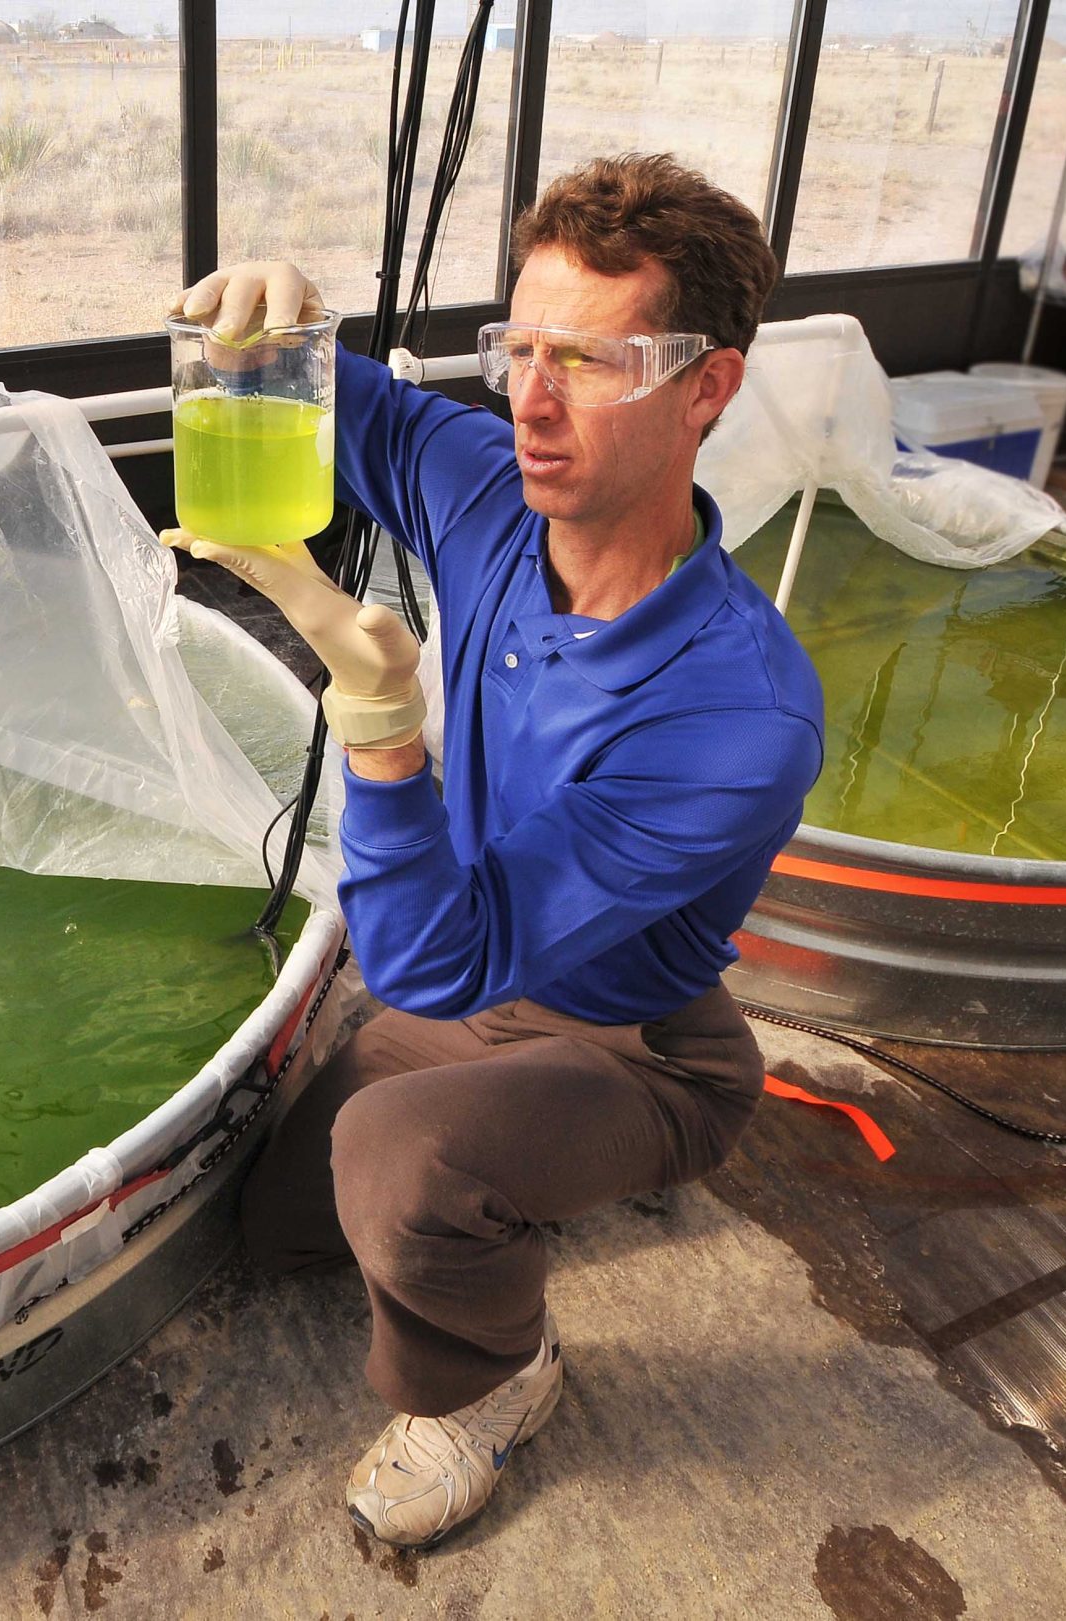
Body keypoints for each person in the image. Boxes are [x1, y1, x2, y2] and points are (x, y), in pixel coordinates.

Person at [161, 153, 826, 1549]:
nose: (529, 400)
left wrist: (384, 731)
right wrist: (290, 334)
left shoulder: (738, 716)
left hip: (639, 1040)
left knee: (397, 1166)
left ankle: (495, 1381)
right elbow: (373, 416)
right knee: (277, 1226)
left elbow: (427, 961)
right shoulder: (498, 502)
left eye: (589, 360)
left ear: (708, 387)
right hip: (491, 982)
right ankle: (515, 1174)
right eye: (518, 348)